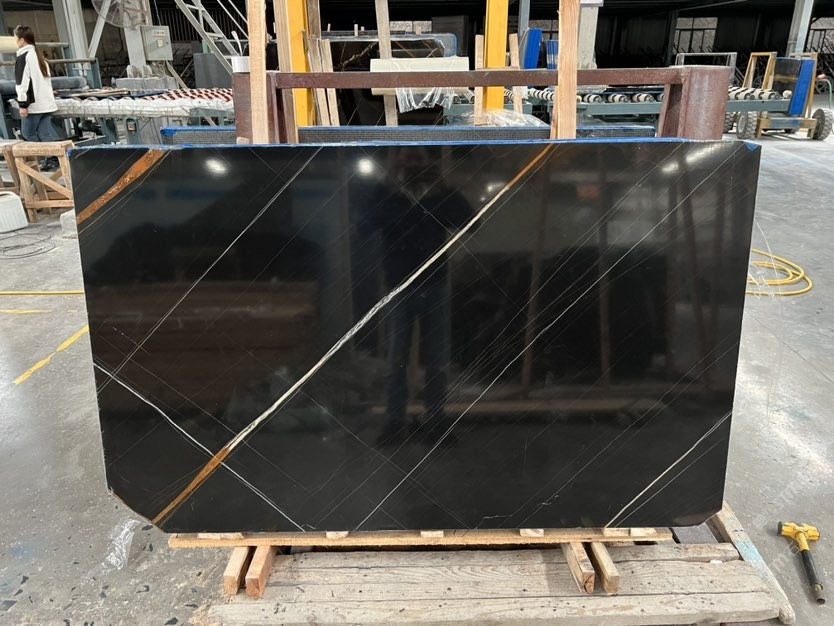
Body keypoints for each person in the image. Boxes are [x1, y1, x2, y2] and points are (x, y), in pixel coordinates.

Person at [14, 25, 60, 143]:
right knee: (45, 135)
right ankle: (53, 155)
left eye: (16, 38)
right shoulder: (40, 57)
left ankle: (46, 154)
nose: (15, 42)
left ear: (22, 40)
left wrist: (23, 105)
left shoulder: (23, 58)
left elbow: (22, 83)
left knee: (28, 134)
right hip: (47, 103)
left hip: (34, 106)